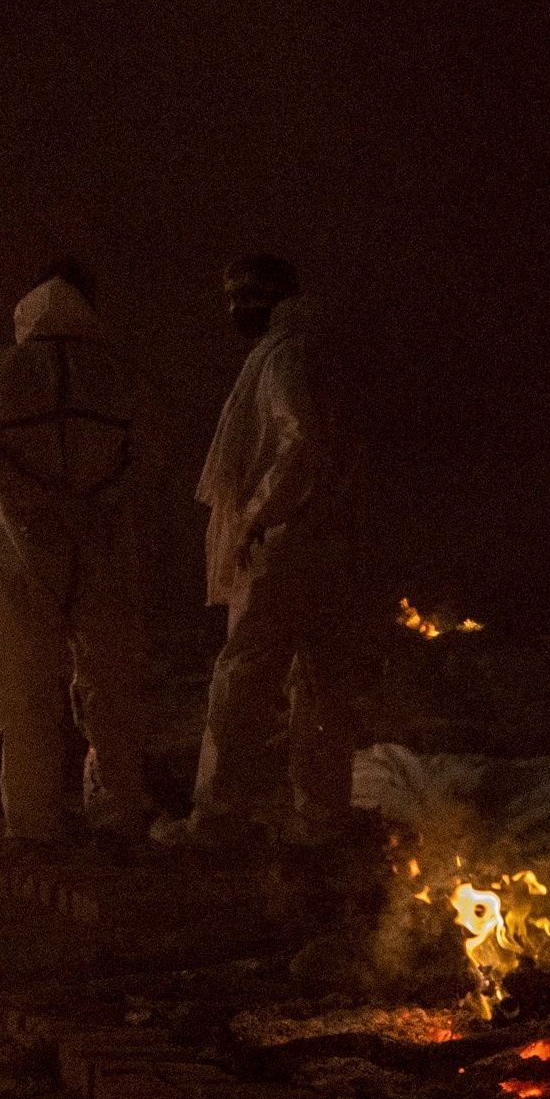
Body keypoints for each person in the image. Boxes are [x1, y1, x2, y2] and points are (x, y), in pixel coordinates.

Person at [154, 255, 359, 850]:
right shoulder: (322, 350)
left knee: (242, 679)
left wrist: (253, 518)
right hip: (330, 540)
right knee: (322, 681)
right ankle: (321, 818)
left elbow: (302, 441)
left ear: (263, 299)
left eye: (240, 298)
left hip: (284, 543)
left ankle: (217, 820)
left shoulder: (286, 355)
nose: (232, 311)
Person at [0, 260, 155, 844]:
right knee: (112, 691)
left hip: (16, 560)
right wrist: (93, 509)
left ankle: (33, 828)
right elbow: (148, 461)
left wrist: (32, 507)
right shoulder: (122, 379)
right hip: (104, 552)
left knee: (22, 698)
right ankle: (120, 816)